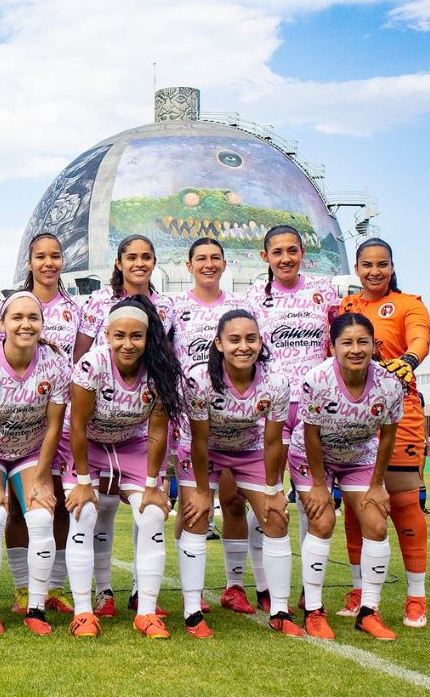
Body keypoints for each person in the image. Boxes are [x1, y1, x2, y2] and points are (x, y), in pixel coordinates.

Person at [177, 309, 304, 638]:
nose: (243, 346)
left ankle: (278, 608)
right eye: (234, 339)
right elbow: (201, 439)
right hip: (205, 449)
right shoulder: (199, 380)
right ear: (218, 344)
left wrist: (275, 488)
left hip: (249, 449)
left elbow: (273, 441)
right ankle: (192, 610)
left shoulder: (276, 382)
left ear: (261, 342)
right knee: (195, 515)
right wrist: (204, 491)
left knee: (276, 517)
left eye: (251, 339)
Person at [66, 295, 184, 639]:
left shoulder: (161, 370)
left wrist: (152, 484)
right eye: (120, 336)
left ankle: (146, 612)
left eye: (136, 336)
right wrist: (85, 482)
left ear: (148, 338)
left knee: (151, 514)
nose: (128, 344)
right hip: (89, 444)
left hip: (131, 445)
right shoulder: (91, 365)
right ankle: (83, 612)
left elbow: (158, 430)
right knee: (84, 512)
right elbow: (77, 426)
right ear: (107, 335)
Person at [77, 234, 177, 619]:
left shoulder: (166, 305)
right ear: (118, 262)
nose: (139, 262)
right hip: (99, 420)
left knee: (149, 510)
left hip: (139, 421)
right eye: (131, 256)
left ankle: (142, 596)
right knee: (96, 508)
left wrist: (154, 482)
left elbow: (167, 362)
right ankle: (100, 595)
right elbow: (82, 357)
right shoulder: (98, 304)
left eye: (146, 256)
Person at [0, 291, 70, 635]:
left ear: (42, 323)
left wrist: (41, 477)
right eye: (17, 317)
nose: (25, 324)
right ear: (2, 323)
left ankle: (35, 608)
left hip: (30, 452)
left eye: (33, 318)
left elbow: (54, 424)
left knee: (41, 518)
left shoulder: (55, 363)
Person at [291, 312, 402, 641]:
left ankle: (368, 611)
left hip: (358, 457)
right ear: (333, 346)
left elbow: (388, 436)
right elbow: (310, 435)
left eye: (363, 342)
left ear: (374, 345)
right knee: (323, 522)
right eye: (347, 342)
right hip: (313, 457)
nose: (355, 349)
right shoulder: (317, 379)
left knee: (377, 525)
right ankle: (313, 610)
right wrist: (320, 486)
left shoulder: (390, 384)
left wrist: (378, 484)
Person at [339, 238, 430, 628]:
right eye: (367, 265)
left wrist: (409, 359)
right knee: (356, 507)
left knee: (404, 500)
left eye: (382, 264)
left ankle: (416, 597)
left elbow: (420, 339)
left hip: (401, 412)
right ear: (357, 269)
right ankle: (360, 590)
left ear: (392, 267)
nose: (374, 271)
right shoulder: (348, 307)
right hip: (354, 415)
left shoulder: (410, 303)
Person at [244, 223, 337, 608]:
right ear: (264, 256)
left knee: (312, 500)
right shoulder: (251, 298)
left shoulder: (324, 292)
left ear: (303, 254)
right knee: (264, 499)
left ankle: (307, 590)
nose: (285, 258)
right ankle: (265, 586)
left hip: (316, 412)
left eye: (292, 250)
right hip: (269, 412)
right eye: (277, 251)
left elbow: (338, 344)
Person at [172, 238, 256, 615]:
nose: (208, 264)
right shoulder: (175, 308)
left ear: (225, 264)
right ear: (188, 266)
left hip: (235, 423)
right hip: (188, 417)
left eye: (215, 258)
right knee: (192, 506)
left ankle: (234, 586)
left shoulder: (243, 309)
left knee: (234, 500)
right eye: (201, 259)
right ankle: (190, 588)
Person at [7, 232, 84, 616]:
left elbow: (81, 365)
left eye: (55, 256)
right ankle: (23, 588)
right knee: (21, 506)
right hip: (20, 421)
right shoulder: (8, 304)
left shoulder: (77, 309)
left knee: (59, 504)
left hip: (61, 418)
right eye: (41, 256)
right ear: (30, 262)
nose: (48, 263)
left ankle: (54, 587)